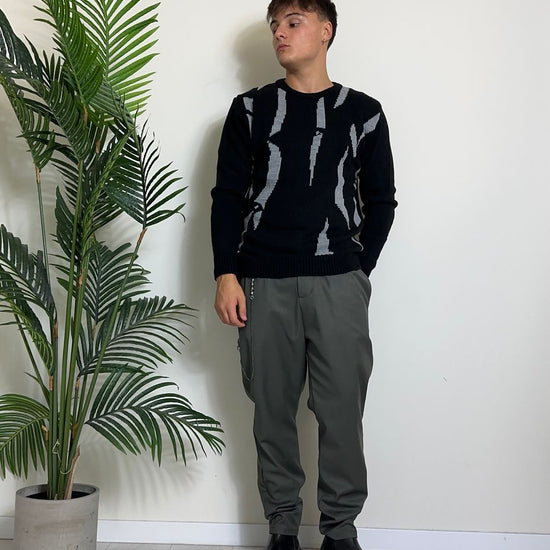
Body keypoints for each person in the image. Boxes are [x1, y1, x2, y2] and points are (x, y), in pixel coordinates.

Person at [211, 1, 396, 549]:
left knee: (341, 413)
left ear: (325, 30)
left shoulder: (363, 113)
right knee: (272, 413)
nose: (280, 34)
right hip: (262, 283)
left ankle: (340, 531)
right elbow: (226, 198)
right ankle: (283, 529)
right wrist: (226, 273)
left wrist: (357, 269)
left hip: (339, 284)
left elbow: (381, 200)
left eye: (293, 22)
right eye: (275, 25)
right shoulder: (250, 110)